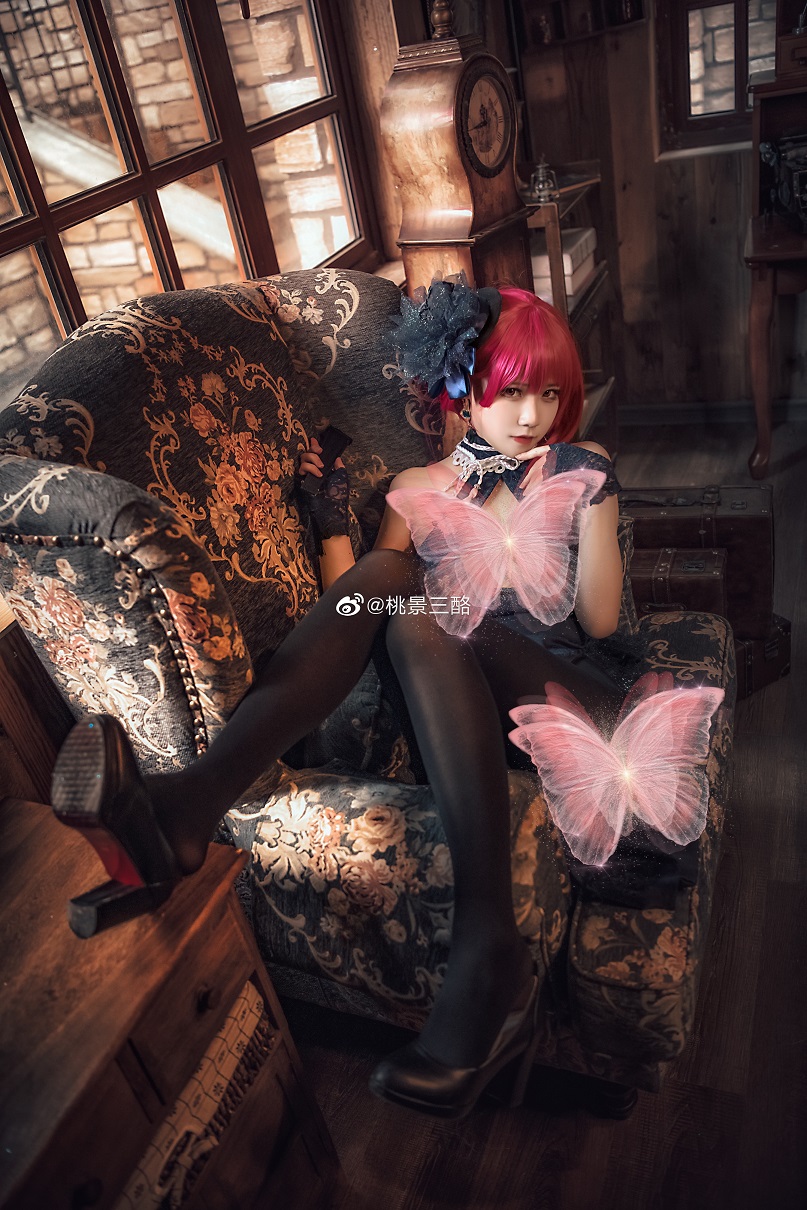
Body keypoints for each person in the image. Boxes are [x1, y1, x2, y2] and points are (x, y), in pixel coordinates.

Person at [51, 280, 628, 1119]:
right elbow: (355, 610)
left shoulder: (577, 467)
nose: (531, 415)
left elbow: (601, 621)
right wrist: (328, 520)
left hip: (564, 691)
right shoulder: (417, 483)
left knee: (410, 590)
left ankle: (188, 806)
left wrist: (591, 499)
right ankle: (484, 954)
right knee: (398, 588)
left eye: (548, 393)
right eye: (509, 391)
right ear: (463, 385)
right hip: (462, 706)